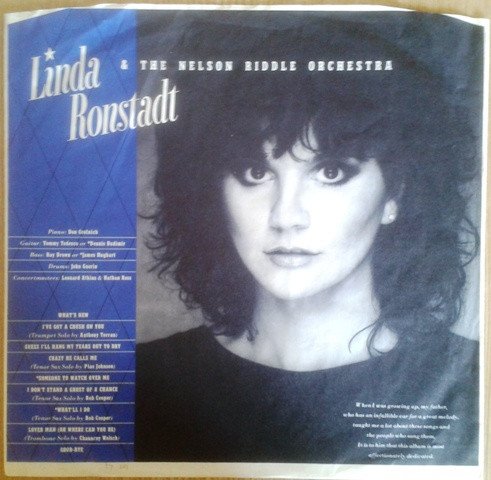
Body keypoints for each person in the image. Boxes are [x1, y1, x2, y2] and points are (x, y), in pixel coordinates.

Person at [135, 14, 480, 464]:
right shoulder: (142, 384)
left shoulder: (474, 386)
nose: (286, 216)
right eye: (255, 173)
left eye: (331, 172)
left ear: (395, 194)